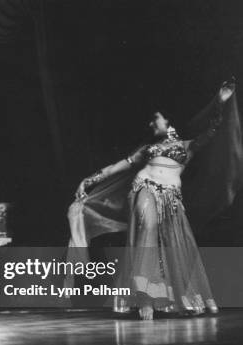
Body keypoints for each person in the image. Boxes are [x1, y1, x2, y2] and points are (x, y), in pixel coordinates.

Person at [70, 81, 237, 320]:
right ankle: (144, 299)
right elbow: (116, 167)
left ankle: (174, 298)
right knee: (146, 230)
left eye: (155, 118)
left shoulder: (188, 146)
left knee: (175, 242)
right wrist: (87, 181)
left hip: (171, 197)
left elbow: (214, 130)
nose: (151, 123)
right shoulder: (147, 148)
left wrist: (220, 102)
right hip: (144, 189)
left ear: (169, 121)